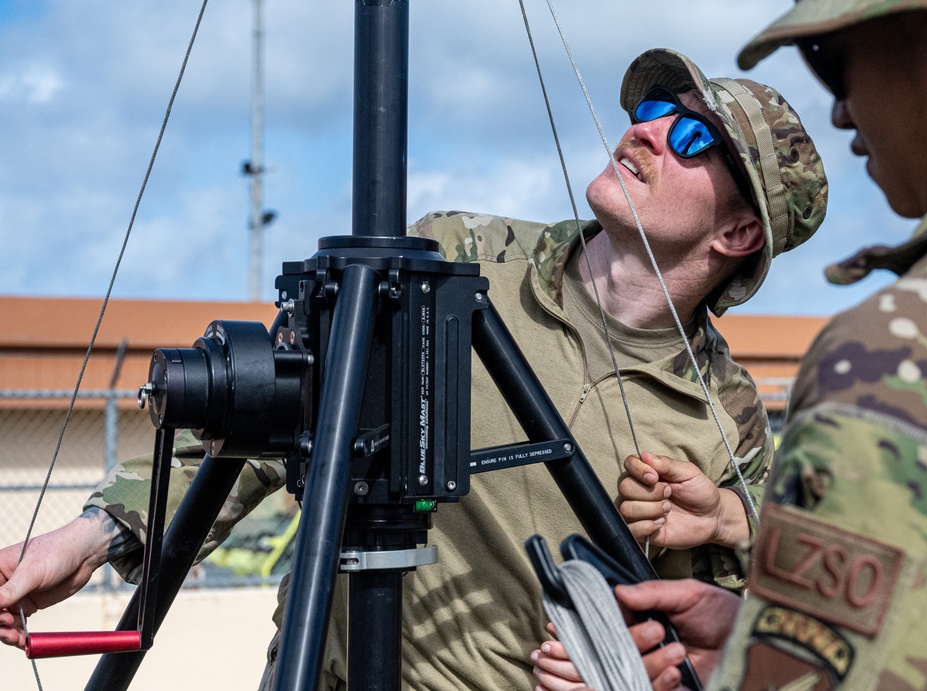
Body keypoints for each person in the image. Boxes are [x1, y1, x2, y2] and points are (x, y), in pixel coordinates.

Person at [0, 48, 828, 690]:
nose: (643, 130)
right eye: (651, 110)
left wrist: (708, 546)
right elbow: (276, 409)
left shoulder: (725, 411)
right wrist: (95, 534)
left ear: (739, 235)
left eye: (689, 137)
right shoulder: (461, 257)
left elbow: (750, 627)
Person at [534, 3, 927, 690]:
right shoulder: (461, 254)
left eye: (833, 62)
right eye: (655, 106)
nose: (842, 114)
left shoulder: (905, 351)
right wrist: (753, 638)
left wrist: (757, 659)